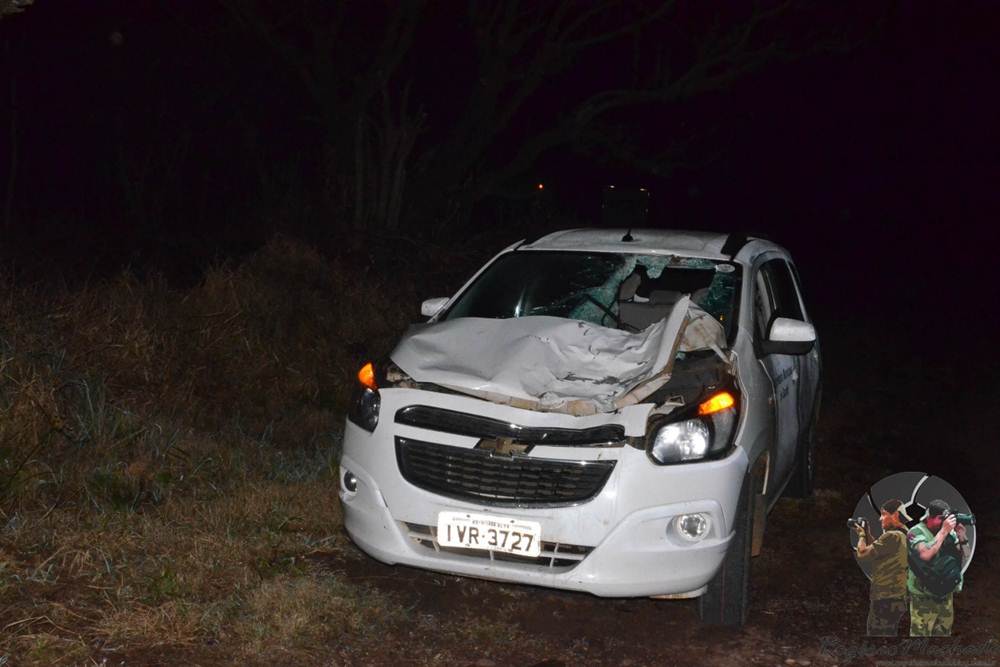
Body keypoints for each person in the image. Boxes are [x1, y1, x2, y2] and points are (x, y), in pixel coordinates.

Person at [906, 499, 970, 636]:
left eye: (945, 519)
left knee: (943, 635)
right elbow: (925, 554)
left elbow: (966, 555)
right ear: (929, 517)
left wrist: (962, 536)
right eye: (940, 519)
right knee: (920, 637)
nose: (944, 522)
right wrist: (943, 532)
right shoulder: (915, 532)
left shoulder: (950, 533)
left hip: (945, 594)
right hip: (924, 597)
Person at [855, 499, 910, 636]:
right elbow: (878, 550)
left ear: (895, 515)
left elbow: (862, 553)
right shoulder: (904, 534)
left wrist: (861, 535)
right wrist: (868, 534)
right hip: (897, 597)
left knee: (877, 635)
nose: (880, 519)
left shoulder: (891, 536)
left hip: (885, 598)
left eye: (884, 514)